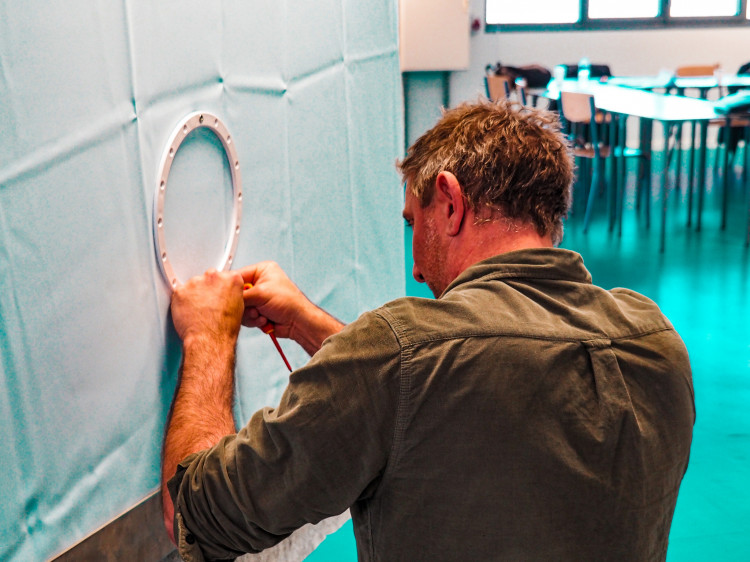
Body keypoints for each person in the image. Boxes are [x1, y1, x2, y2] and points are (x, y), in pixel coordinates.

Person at [162, 99, 695, 561]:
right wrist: (317, 328)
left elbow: (200, 511)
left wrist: (209, 336)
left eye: (413, 222)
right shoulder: (654, 341)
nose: (416, 268)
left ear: (451, 201)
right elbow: (459, 397)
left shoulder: (399, 354)